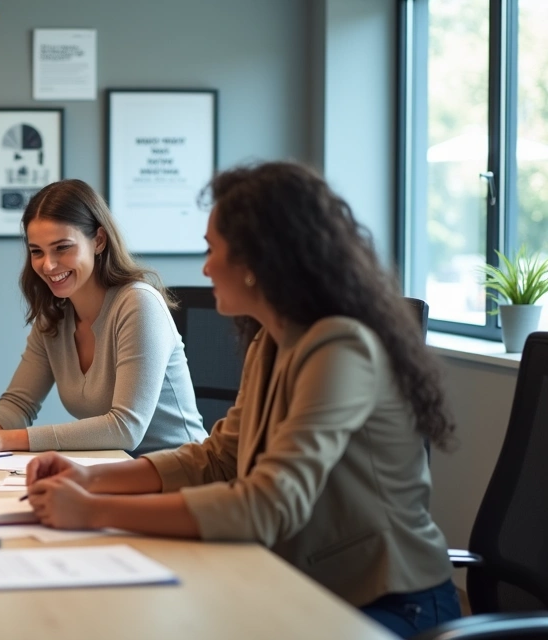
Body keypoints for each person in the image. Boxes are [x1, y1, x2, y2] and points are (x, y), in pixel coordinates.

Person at [24, 162, 460, 638]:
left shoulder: (340, 347)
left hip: (390, 602)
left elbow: (269, 504)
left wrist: (93, 510)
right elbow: (218, 457)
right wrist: (90, 477)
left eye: (213, 250)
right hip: (302, 583)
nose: (205, 267)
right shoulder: (270, 340)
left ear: (260, 258)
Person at [0, 179, 206, 455]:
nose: (48, 265)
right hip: (111, 468)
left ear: (98, 241)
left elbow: (126, 428)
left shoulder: (138, 304)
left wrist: (3, 439)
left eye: (62, 247)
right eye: (37, 251)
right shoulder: (54, 315)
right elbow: (18, 404)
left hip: (181, 470)